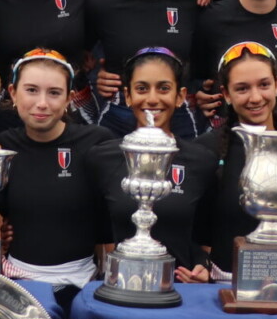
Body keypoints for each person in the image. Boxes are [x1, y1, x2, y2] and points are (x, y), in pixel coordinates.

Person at [0, 50, 115, 288]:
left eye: (54, 93)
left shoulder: (96, 142)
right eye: (31, 90)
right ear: (13, 93)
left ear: (69, 98)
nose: (42, 103)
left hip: (83, 282)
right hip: (17, 282)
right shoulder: (2, 146)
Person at [89, 50, 217, 271]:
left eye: (164, 88)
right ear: (127, 95)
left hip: (181, 290)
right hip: (119, 287)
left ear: (180, 96)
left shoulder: (202, 160)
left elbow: (203, 236)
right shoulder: (101, 158)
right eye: (142, 88)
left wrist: (201, 267)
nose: (152, 98)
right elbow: (97, 234)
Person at [201, 42, 277, 276]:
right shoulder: (205, 151)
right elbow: (197, 235)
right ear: (226, 94)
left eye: (264, 85)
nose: (255, 97)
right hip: (222, 285)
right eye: (242, 89)